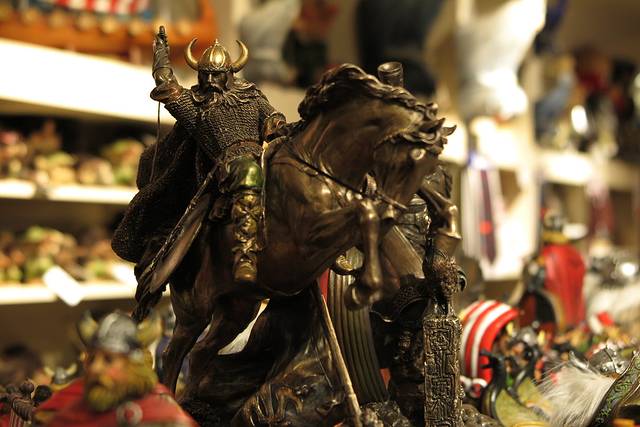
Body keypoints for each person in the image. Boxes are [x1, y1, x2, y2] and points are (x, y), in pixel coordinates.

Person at [112, 27, 286, 287]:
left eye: (217, 75)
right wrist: (161, 53)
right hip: (221, 170)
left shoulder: (252, 97)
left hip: (260, 159)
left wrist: (286, 128)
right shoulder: (194, 104)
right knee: (248, 171)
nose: (211, 81)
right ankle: (245, 254)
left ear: (230, 73)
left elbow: (274, 124)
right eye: (205, 75)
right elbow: (165, 82)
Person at [36, 312, 197, 427]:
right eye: (91, 359)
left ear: (133, 366)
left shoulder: (164, 416)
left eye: (108, 360)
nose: (95, 368)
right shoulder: (72, 410)